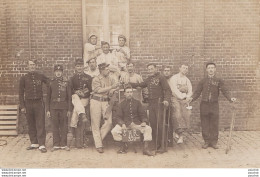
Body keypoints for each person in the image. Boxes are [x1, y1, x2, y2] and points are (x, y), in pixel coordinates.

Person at [190, 62, 236, 149]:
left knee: (214, 123)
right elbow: (197, 92)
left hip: (214, 104)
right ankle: (206, 141)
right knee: (205, 123)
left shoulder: (219, 81)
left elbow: (225, 91)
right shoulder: (202, 81)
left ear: (215, 69)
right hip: (204, 105)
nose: (211, 69)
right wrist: (191, 99)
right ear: (206, 70)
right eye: (209, 68)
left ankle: (214, 142)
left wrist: (230, 98)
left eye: (212, 68)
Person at [130, 63, 172, 153]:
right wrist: (128, 83)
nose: (150, 71)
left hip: (159, 104)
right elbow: (140, 84)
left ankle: (163, 146)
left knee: (160, 125)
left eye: (151, 69)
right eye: (148, 69)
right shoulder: (148, 79)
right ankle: (157, 144)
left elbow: (167, 90)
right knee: (153, 124)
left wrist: (166, 100)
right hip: (151, 104)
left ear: (156, 69)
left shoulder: (161, 78)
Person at [111, 85, 154, 156]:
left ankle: (146, 149)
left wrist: (144, 121)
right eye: (127, 92)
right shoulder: (121, 104)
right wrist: (122, 124)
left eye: (131, 92)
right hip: (126, 124)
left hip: (137, 124)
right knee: (114, 131)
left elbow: (142, 114)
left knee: (148, 129)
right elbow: (118, 117)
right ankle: (123, 146)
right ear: (124, 94)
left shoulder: (137, 103)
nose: (129, 94)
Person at [19, 59, 49, 153]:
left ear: (36, 66)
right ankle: (34, 143)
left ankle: (42, 144)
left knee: (40, 123)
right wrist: (22, 106)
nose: (32, 66)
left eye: (33, 65)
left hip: (39, 103)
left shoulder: (40, 76)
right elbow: (20, 93)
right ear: (27, 66)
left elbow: (49, 83)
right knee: (31, 123)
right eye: (30, 65)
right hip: (28, 103)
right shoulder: (24, 78)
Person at [90, 63, 120, 153]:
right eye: (106, 69)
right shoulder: (96, 79)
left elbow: (117, 86)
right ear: (101, 70)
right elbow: (98, 90)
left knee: (109, 122)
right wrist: (111, 87)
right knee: (95, 123)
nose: (108, 70)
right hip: (96, 101)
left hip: (106, 101)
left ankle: (98, 140)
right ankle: (99, 145)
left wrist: (113, 90)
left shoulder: (110, 78)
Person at [46, 65, 71, 152]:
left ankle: (64, 144)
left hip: (64, 107)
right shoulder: (51, 83)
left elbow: (69, 97)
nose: (58, 73)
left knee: (64, 125)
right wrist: (48, 110)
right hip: (53, 107)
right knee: (55, 126)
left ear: (62, 72)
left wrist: (69, 109)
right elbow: (48, 97)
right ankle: (56, 144)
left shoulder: (66, 82)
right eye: (56, 71)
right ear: (54, 72)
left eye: (60, 71)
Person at [70, 59, 92, 148]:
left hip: (84, 99)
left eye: (81, 66)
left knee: (76, 112)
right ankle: (83, 115)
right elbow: (70, 90)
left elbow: (91, 89)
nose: (79, 68)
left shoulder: (88, 77)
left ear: (83, 67)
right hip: (76, 99)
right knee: (75, 97)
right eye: (77, 66)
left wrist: (84, 93)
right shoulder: (72, 78)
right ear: (75, 67)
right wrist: (76, 92)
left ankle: (73, 124)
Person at [168, 64, 192, 144]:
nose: (185, 69)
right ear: (179, 68)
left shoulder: (187, 80)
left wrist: (188, 97)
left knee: (187, 114)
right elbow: (174, 90)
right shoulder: (174, 78)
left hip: (184, 100)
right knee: (177, 114)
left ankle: (181, 133)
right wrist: (183, 96)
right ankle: (179, 133)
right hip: (175, 99)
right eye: (183, 68)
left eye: (187, 68)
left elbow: (190, 90)